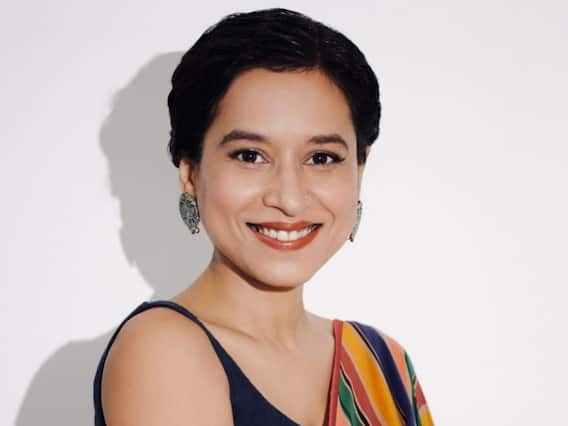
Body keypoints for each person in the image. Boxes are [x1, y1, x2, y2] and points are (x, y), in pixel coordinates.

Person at [93, 7, 434, 426]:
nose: (289, 199)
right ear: (191, 172)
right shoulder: (162, 350)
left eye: (321, 157)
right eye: (250, 156)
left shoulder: (384, 365)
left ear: (359, 171)